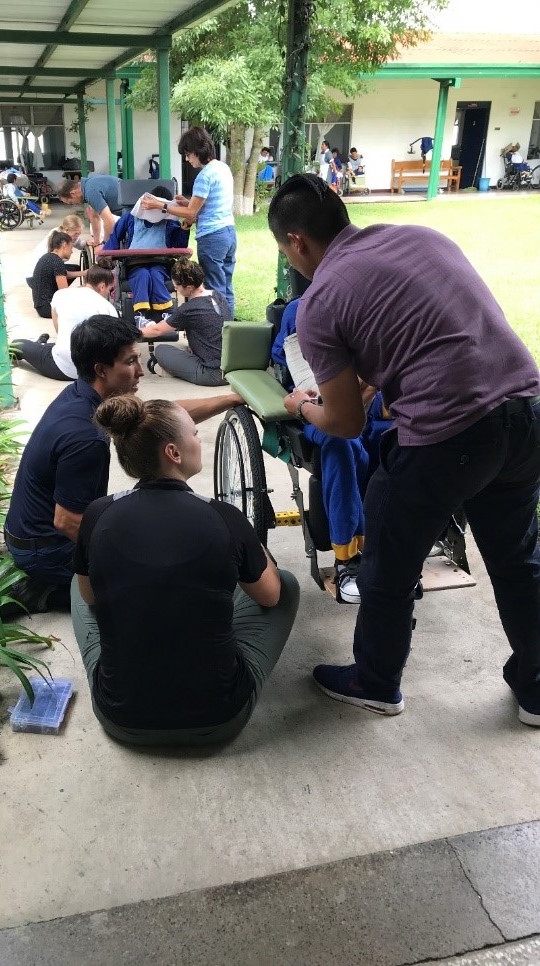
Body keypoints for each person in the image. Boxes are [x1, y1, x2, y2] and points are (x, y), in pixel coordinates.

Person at [268, 173, 540, 724]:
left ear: (296, 241)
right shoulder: (422, 238)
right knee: (517, 562)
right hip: (526, 413)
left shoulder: (320, 301)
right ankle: (537, 691)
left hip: (450, 436)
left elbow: (343, 424)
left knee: (388, 563)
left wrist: (301, 405)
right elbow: (420, 341)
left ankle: (375, 681)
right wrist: (365, 385)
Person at [71, 394, 300, 746]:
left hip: (121, 718)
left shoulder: (98, 513)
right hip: (220, 719)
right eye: (194, 434)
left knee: (79, 583)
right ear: (173, 453)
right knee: (284, 584)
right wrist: (255, 547)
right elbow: (270, 597)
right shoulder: (224, 517)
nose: (198, 441)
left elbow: (90, 597)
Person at [2, 316, 245, 617]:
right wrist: (129, 559)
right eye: (131, 362)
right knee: (160, 582)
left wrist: (232, 398)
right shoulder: (86, 439)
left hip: (30, 534)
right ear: (101, 370)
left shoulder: (83, 395)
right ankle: (45, 592)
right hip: (46, 549)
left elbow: (165, 416)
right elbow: (66, 522)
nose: (141, 371)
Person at [272, 297, 392, 603]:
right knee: (342, 444)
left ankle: (396, 544)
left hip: (375, 406)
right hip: (318, 402)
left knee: (402, 439)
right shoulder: (302, 309)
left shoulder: (383, 306)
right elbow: (293, 370)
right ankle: (347, 559)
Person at [141, 127, 236, 318]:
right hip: (229, 233)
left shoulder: (204, 176)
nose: (187, 159)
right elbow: (208, 204)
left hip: (212, 237)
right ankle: (230, 330)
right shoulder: (222, 168)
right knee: (226, 284)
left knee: (215, 288)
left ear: (197, 151)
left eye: (187, 154)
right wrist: (186, 203)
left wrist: (161, 205)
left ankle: (220, 334)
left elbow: (191, 213)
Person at [11, 260, 117, 381]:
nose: (109, 293)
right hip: (93, 372)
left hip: (62, 368)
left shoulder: (61, 295)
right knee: (50, 347)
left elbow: (59, 331)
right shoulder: (109, 308)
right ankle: (41, 345)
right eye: (110, 289)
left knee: (19, 344)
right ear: (102, 286)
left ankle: (39, 345)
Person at [100, 185, 189, 322]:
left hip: (161, 264)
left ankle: (167, 313)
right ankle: (140, 316)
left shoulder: (170, 221)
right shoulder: (130, 217)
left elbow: (179, 246)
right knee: (142, 274)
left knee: (154, 274)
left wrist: (185, 228)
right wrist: (106, 256)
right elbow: (114, 238)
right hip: (135, 264)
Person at [138, 258, 231, 387]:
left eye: (177, 287)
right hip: (231, 369)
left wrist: (131, 332)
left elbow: (157, 330)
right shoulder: (218, 295)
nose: (176, 290)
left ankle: (173, 372)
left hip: (212, 374)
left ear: (189, 287)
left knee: (161, 350)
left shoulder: (188, 309)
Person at [57, 175, 121, 244]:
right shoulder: (88, 185)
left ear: (73, 193)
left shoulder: (91, 192)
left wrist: (105, 245)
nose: (74, 204)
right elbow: (94, 217)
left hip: (131, 208)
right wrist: (96, 241)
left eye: (71, 202)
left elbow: (109, 221)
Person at [29, 231, 72, 319]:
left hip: (41, 307)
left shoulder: (47, 257)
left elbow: (65, 274)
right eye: (71, 247)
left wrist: (85, 272)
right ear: (64, 245)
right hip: (49, 308)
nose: (72, 251)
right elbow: (64, 293)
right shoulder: (57, 261)